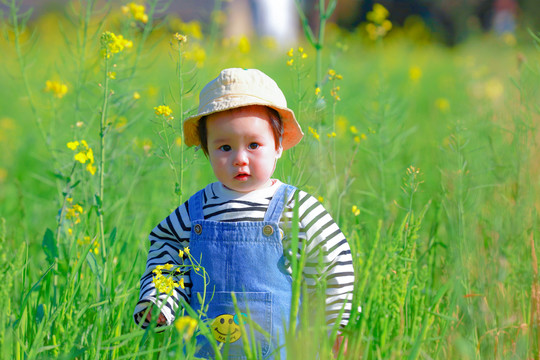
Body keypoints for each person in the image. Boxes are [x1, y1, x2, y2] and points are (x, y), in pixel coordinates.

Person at [134, 68, 355, 358]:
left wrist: (331, 326)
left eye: (253, 145)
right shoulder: (196, 209)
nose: (240, 159)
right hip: (205, 350)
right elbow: (166, 251)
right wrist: (160, 300)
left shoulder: (295, 207)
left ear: (278, 146)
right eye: (224, 147)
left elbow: (332, 263)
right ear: (206, 151)